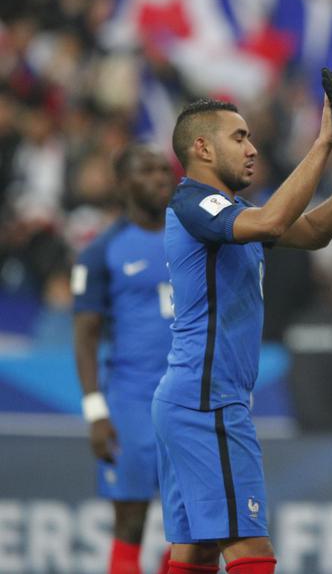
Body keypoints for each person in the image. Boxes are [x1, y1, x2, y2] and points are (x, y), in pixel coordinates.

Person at [153, 75, 332, 574]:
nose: (251, 149)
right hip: (207, 401)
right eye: (239, 137)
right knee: (252, 554)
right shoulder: (193, 204)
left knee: (196, 552)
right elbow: (273, 222)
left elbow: (312, 231)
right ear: (201, 147)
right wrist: (322, 142)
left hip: (192, 398)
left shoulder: (227, 211)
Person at [73, 145, 176, 574]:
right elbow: (85, 335)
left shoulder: (193, 235)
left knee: (195, 525)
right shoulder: (102, 251)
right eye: (146, 171)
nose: (160, 178)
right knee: (131, 520)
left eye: (163, 170)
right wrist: (96, 411)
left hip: (187, 398)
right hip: (132, 398)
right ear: (123, 184)